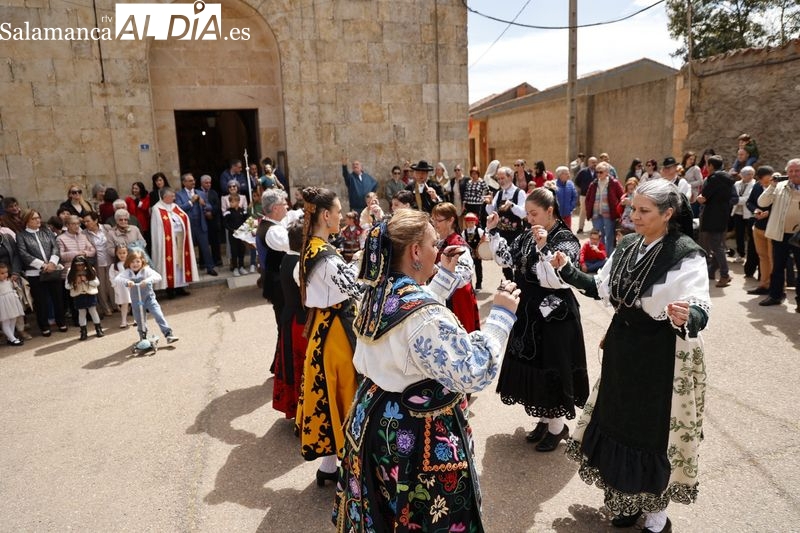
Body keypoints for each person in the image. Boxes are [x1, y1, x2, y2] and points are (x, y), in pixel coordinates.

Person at [333, 209, 520, 531]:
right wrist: (502, 316)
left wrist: (443, 273)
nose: (440, 249)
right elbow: (472, 371)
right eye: (434, 244)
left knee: (385, 509)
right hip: (414, 431)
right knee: (422, 513)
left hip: (375, 417)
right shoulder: (423, 316)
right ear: (415, 251)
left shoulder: (378, 293)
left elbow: (410, 318)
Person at [551, 179, 710, 533]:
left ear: (668, 214)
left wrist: (690, 316)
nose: (633, 216)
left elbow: (700, 305)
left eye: (643, 211)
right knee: (618, 423)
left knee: (649, 433)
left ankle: (656, 517)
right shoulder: (628, 246)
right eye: (632, 208)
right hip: (623, 352)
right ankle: (625, 501)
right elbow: (603, 288)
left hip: (658, 357)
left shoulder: (685, 254)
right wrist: (567, 270)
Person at [485, 188, 589, 452]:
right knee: (534, 366)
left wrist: (544, 247)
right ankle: (545, 420)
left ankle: (557, 427)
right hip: (529, 310)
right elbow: (507, 260)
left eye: (535, 214)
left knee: (551, 366)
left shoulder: (566, 239)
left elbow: (558, 278)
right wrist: (494, 232)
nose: (529, 219)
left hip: (555, 314)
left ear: (550, 211)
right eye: (528, 213)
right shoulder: (526, 235)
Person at [295, 186, 361, 485]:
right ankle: (349, 468)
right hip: (335, 334)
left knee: (331, 396)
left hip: (324, 328)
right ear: (325, 215)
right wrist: (362, 261)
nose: (340, 216)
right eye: (337, 211)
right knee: (345, 395)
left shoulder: (311, 247)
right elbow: (353, 287)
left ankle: (328, 468)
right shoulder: (325, 256)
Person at [273, 220, 308, 419]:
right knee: (300, 365)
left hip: (290, 317)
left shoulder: (288, 258)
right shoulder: (297, 265)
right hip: (299, 321)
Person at [757, 158, 800, 311]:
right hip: (780, 234)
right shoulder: (779, 186)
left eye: (797, 170)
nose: (794, 173)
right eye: (791, 171)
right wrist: (771, 185)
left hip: (798, 235)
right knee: (778, 267)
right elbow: (762, 203)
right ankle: (775, 296)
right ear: (786, 172)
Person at [16, 209, 67, 336]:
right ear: (26, 221)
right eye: (34, 218)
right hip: (35, 273)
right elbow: (23, 254)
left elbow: (55, 247)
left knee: (58, 298)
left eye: (38, 217)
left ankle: (61, 322)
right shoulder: (21, 235)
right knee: (41, 301)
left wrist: (52, 263)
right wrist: (43, 265)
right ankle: (44, 326)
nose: (38, 220)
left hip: (52, 270)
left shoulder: (47, 232)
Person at [431, 202, 480, 332]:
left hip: (458, 300)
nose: (434, 224)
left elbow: (464, 275)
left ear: (451, 220)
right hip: (442, 296)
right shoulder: (438, 241)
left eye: (438, 220)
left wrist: (437, 269)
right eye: (433, 220)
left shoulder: (458, 244)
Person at [113, 248, 179, 344]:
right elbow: (117, 279)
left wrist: (147, 280)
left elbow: (158, 277)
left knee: (158, 314)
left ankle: (168, 334)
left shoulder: (146, 270)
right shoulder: (127, 272)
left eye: (137, 262)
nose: (135, 264)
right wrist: (127, 281)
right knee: (139, 319)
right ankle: (143, 337)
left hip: (149, 298)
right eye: (132, 262)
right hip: (136, 301)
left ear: (142, 262)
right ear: (128, 263)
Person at [150, 187, 198, 298]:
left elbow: (184, 218)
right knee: (169, 264)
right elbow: (158, 228)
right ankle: (170, 289)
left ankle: (181, 286)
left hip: (179, 239)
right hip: (166, 243)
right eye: (172, 196)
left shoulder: (175, 206)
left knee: (180, 263)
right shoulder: (157, 209)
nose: (174, 197)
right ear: (164, 197)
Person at [696, 155, 735, 288]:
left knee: (716, 246)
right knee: (717, 244)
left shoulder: (714, 178)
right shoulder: (729, 178)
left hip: (712, 215)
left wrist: (699, 198)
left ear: (711, 166)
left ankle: (724, 274)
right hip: (723, 214)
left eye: (708, 165)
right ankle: (714, 272)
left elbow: (703, 197)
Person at [485, 166, 527, 280]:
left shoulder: (519, 193)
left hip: (516, 234)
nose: (500, 181)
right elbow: (491, 213)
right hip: (502, 234)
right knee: (504, 262)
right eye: (498, 178)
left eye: (502, 178)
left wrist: (512, 205)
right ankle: (510, 282)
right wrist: (489, 204)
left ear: (511, 177)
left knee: (518, 262)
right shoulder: (499, 194)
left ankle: (519, 284)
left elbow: (523, 213)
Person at [175, 173, 217, 277]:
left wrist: (204, 204)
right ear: (184, 182)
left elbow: (209, 207)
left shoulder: (200, 193)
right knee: (188, 248)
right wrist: (191, 202)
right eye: (190, 181)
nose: (193, 182)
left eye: (193, 180)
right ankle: (189, 270)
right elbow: (179, 209)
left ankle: (210, 268)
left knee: (205, 248)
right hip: (188, 225)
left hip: (200, 224)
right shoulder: (179, 194)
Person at [745, 166, 775, 295]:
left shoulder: (778, 188)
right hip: (759, 227)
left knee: (773, 258)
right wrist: (755, 210)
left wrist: (768, 213)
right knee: (763, 257)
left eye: (769, 181)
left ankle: (776, 287)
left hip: (772, 227)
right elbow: (750, 202)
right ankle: (764, 285)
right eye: (765, 181)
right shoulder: (757, 187)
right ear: (760, 179)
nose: (767, 184)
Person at [585, 161, 624, 256]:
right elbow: (588, 199)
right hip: (596, 214)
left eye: (601, 172)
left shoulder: (614, 183)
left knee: (610, 236)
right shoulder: (593, 184)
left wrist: (618, 211)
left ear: (607, 172)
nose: (598, 174)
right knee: (599, 236)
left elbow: (622, 196)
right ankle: (601, 257)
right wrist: (588, 210)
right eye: (597, 172)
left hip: (609, 214)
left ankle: (609, 257)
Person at [82, 212, 115, 317]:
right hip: (97, 262)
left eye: (88, 221)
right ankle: (106, 308)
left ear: (95, 220)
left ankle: (116, 305)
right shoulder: (84, 233)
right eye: (85, 222)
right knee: (101, 287)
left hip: (110, 260)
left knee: (112, 284)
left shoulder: (107, 228)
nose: (86, 223)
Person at [65, 255, 104, 340]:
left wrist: (87, 280)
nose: (80, 267)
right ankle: (83, 332)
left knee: (93, 311)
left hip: (90, 293)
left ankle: (98, 329)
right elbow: (67, 286)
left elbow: (97, 283)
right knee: (81, 313)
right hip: (78, 295)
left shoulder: (90, 270)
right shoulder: (70, 272)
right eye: (77, 265)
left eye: (82, 264)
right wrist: (74, 282)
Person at [730, 166, 756, 264]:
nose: (750, 176)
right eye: (748, 174)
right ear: (743, 175)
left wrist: (736, 200)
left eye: (752, 174)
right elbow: (732, 195)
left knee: (750, 235)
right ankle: (741, 255)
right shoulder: (736, 184)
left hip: (749, 214)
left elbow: (748, 198)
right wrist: (735, 200)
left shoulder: (754, 185)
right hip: (737, 212)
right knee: (739, 235)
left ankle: (751, 257)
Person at [199, 175, 223, 268]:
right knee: (203, 242)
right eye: (206, 183)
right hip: (202, 220)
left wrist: (211, 212)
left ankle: (217, 260)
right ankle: (203, 262)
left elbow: (217, 205)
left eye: (209, 182)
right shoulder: (198, 192)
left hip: (213, 220)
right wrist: (205, 213)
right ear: (201, 183)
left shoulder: (214, 192)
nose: (208, 184)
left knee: (215, 242)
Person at [0, 262, 25, 346]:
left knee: (13, 319)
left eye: (6, 272)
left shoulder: (9, 280)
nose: (5, 275)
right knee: (6, 321)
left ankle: (10, 337)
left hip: (12, 302)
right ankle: (13, 339)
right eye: (2, 273)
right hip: (3, 304)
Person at [222, 194, 248, 276]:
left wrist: (244, 230)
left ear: (238, 202)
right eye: (230, 202)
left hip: (242, 235)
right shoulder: (228, 212)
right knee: (234, 251)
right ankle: (235, 268)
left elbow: (246, 221)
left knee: (242, 250)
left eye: (233, 202)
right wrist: (232, 230)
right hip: (233, 235)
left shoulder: (242, 210)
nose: (231, 203)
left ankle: (241, 267)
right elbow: (225, 224)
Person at [109, 245, 133, 329]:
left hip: (131, 285)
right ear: (116, 254)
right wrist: (115, 286)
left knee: (135, 302)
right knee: (124, 304)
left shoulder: (131, 263)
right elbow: (112, 277)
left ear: (127, 253)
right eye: (120, 253)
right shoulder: (114, 266)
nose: (122, 255)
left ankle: (137, 319)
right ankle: (124, 320)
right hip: (121, 288)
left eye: (124, 253)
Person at [461, 212, 485, 290]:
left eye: (472, 222)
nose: (470, 224)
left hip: (477, 253)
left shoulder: (479, 231)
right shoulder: (464, 232)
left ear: (475, 222)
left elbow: (484, 240)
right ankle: (469, 284)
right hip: (468, 254)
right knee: (468, 269)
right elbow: (462, 242)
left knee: (478, 269)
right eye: (468, 223)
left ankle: (479, 284)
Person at [574, 156, 597, 233]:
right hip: (584, 195)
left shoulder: (598, 172)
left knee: (595, 211)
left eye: (595, 162)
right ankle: (581, 228)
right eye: (593, 162)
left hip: (595, 196)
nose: (594, 164)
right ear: (589, 163)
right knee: (583, 211)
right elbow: (576, 181)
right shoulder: (583, 172)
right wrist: (583, 188)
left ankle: (595, 228)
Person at [125, 182, 151, 250]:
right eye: (133, 188)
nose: (134, 190)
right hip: (134, 224)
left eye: (136, 188)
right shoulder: (130, 200)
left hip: (144, 225)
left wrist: (138, 201)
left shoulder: (146, 198)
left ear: (141, 189)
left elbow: (145, 207)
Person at [554, 165, 578, 230]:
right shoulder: (553, 184)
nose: (569, 175)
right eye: (567, 173)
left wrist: (571, 207)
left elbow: (574, 196)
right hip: (556, 215)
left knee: (567, 231)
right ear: (560, 175)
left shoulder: (570, 184)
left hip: (567, 214)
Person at [682, 151, 704, 217]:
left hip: (692, 194)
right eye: (690, 159)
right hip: (682, 193)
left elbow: (700, 181)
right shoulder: (681, 167)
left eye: (693, 159)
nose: (692, 161)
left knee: (691, 214)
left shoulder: (696, 169)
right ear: (686, 159)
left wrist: (688, 184)